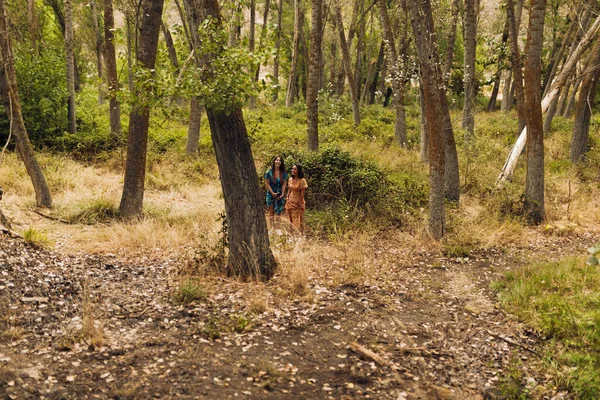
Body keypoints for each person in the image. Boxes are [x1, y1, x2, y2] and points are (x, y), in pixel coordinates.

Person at [264, 156, 288, 227]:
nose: (278, 162)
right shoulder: (269, 172)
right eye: (277, 160)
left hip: (279, 194)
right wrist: (272, 193)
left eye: (280, 161)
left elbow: (284, 184)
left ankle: (278, 228)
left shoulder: (283, 173)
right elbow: (267, 184)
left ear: (281, 163)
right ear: (274, 161)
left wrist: (282, 194)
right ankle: (271, 227)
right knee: (271, 212)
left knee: (278, 212)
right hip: (271, 194)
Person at [285, 164, 308, 233]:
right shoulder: (290, 179)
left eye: (295, 169)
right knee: (290, 217)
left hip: (298, 201)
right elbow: (289, 189)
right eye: (292, 169)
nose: (293, 170)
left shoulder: (302, 180)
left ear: (298, 171)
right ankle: (291, 231)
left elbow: (302, 193)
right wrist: (287, 196)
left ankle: (301, 232)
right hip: (290, 200)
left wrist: (300, 202)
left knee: (299, 217)